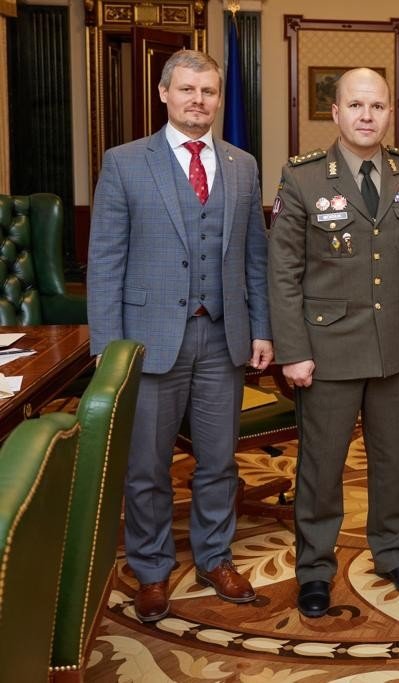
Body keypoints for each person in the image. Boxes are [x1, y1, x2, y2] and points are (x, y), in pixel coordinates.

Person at [87, 50, 273, 623]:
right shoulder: (124, 162)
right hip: (147, 342)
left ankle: (216, 557)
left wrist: (262, 329)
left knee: (218, 462)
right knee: (147, 467)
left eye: (208, 91)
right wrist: (109, 352)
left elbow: (255, 258)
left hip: (222, 337)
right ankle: (150, 569)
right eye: (188, 89)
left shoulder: (242, 165)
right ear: (165, 93)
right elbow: (105, 262)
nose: (198, 100)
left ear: (218, 99)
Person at [268, 67, 399, 618]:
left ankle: (392, 553)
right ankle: (315, 568)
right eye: (356, 105)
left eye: (378, 106)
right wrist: (294, 350)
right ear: (336, 112)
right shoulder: (303, 177)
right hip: (326, 350)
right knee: (322, 466)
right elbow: (284, 272)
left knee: (393, 460)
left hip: (395, 345)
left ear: (390, 112)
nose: (367, 116)